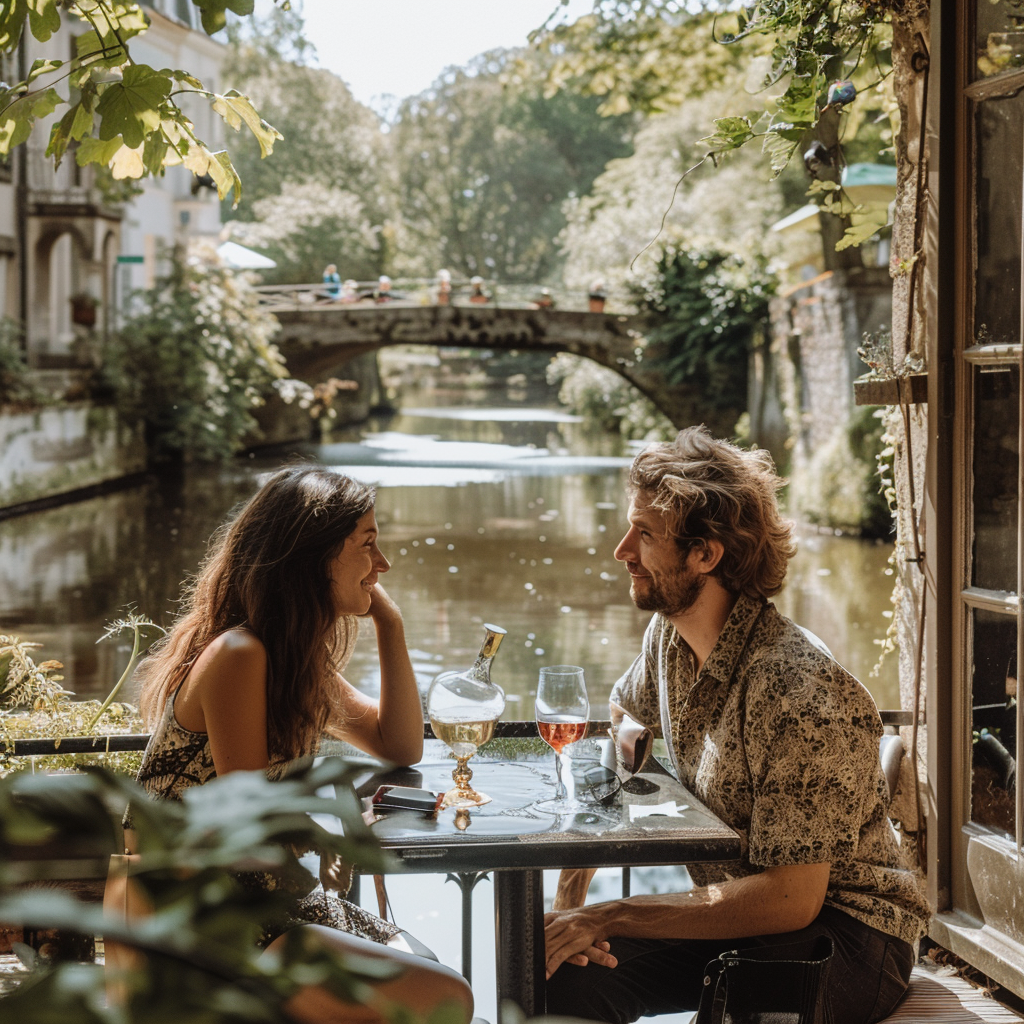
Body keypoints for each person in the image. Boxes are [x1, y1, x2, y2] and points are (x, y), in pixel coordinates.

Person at [544, 427, 929, 1024]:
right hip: (737, 924)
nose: (622, 550)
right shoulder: (668, 639)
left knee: (735, 1000)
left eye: (644, 533)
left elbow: (790, 898)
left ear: (706, 554)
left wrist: (608, 914)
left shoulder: (796, 688)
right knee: (565, 976)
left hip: (850, 934)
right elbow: (622, 724)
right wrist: (572, 901)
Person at [127, 466, 473, 1024]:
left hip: (264, 898)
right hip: (204, 914)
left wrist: (390, 622)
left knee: (428, 970)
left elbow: (400, 744)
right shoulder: (239, 654)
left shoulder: (291, 662)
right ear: (312, 559)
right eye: (367, 546)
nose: (382, 564)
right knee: (445, 998)